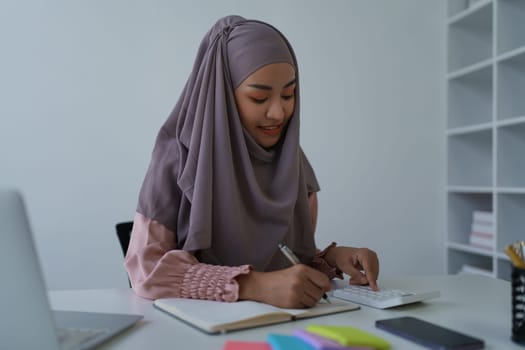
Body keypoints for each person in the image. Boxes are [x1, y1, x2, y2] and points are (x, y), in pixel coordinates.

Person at [124, 15, 379, 309]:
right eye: (259, 98)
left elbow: (289, 262)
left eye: (289, 94)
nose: (278, 113)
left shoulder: (291, 162)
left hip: (283, 329)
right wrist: (251, 285)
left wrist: (332, 260)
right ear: (222, 97)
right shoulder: (179, 158)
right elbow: (146, 273)